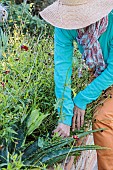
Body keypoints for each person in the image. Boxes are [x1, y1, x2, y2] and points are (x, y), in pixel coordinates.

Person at [39, 0, 113, 169]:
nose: (76, 22)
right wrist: (64, 117)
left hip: (109, 72)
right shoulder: (64, 25)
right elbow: (62, 69)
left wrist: (81, 99)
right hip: (99, 75)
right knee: (76, 122)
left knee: (102, 119)